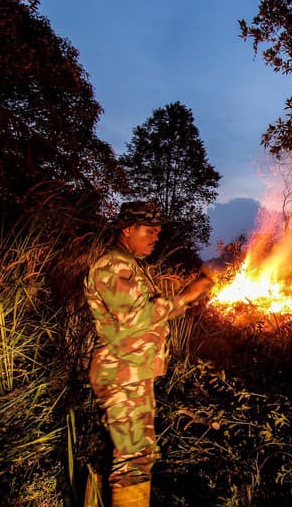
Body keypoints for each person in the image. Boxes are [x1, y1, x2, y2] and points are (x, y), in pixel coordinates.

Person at [84, 201, 214, 507]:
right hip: (122, 374)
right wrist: (185, 296)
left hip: (131, 372)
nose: (156, 237)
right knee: (134, 456)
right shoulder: (112, 265)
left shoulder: (129, 266)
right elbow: (137, 317)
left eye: (159, 231)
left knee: (122, 451)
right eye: (150, 230)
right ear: (128, 229)